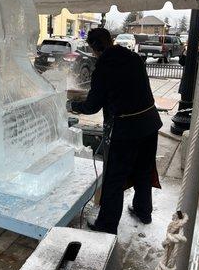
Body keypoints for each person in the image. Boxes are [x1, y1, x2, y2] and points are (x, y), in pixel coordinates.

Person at [67, 28, 162, 235]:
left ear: (93, 48)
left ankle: (106, 225)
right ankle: (143, 211)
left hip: (125, 130)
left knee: (114, 179)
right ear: (111, 40)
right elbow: (127, 89)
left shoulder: (103, 66)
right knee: (144, 170)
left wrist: (72, 105)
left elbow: (92, 106)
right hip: (149, 123)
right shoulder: (134, 57)